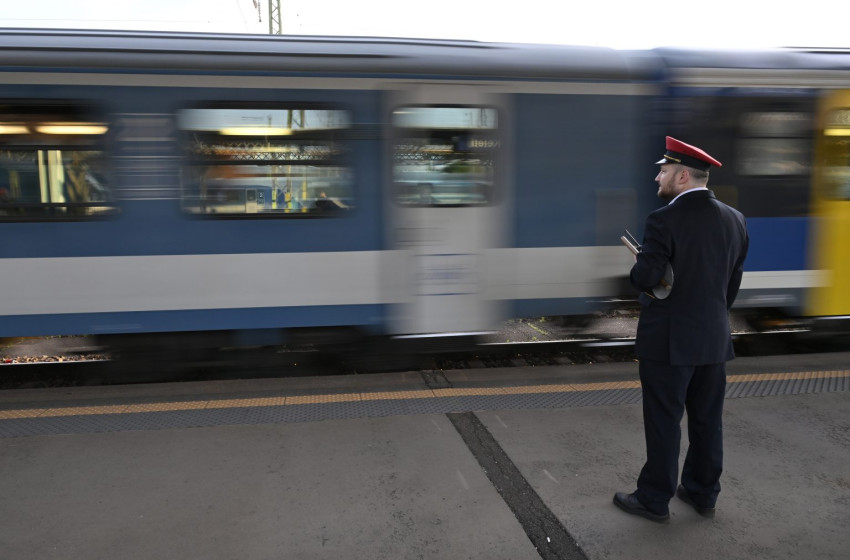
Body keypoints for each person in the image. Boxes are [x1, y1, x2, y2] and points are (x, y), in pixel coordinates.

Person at [613, 137, 749, 523]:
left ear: (683, 175)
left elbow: (646, 278)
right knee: (708, 421)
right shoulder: (734, 218)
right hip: (713, 337)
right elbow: (732, 282)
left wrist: (641, 264)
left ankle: (654, 499)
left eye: (664, 171)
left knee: (663, 420)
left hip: (669, 343)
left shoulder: (663, 219)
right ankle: (703, 493)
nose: (658, 177)